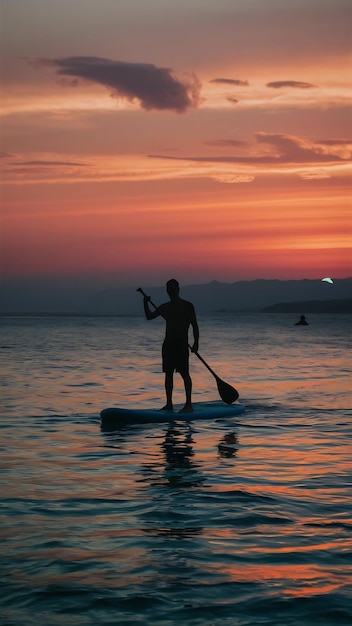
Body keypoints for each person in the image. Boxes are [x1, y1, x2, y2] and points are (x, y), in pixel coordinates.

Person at [142, 279, 199, 412]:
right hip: (168, 344)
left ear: (178, 289)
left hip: (181, 344)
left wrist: (196, 343)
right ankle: (169, 404)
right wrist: (145, 302)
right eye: (168, 289)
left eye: (172, 289)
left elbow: (194, 325)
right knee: (168, 374)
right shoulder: (165, 307)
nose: (170, 291)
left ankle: (188, 404)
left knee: (185, 374)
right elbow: (149, 316)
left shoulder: (187, 306)